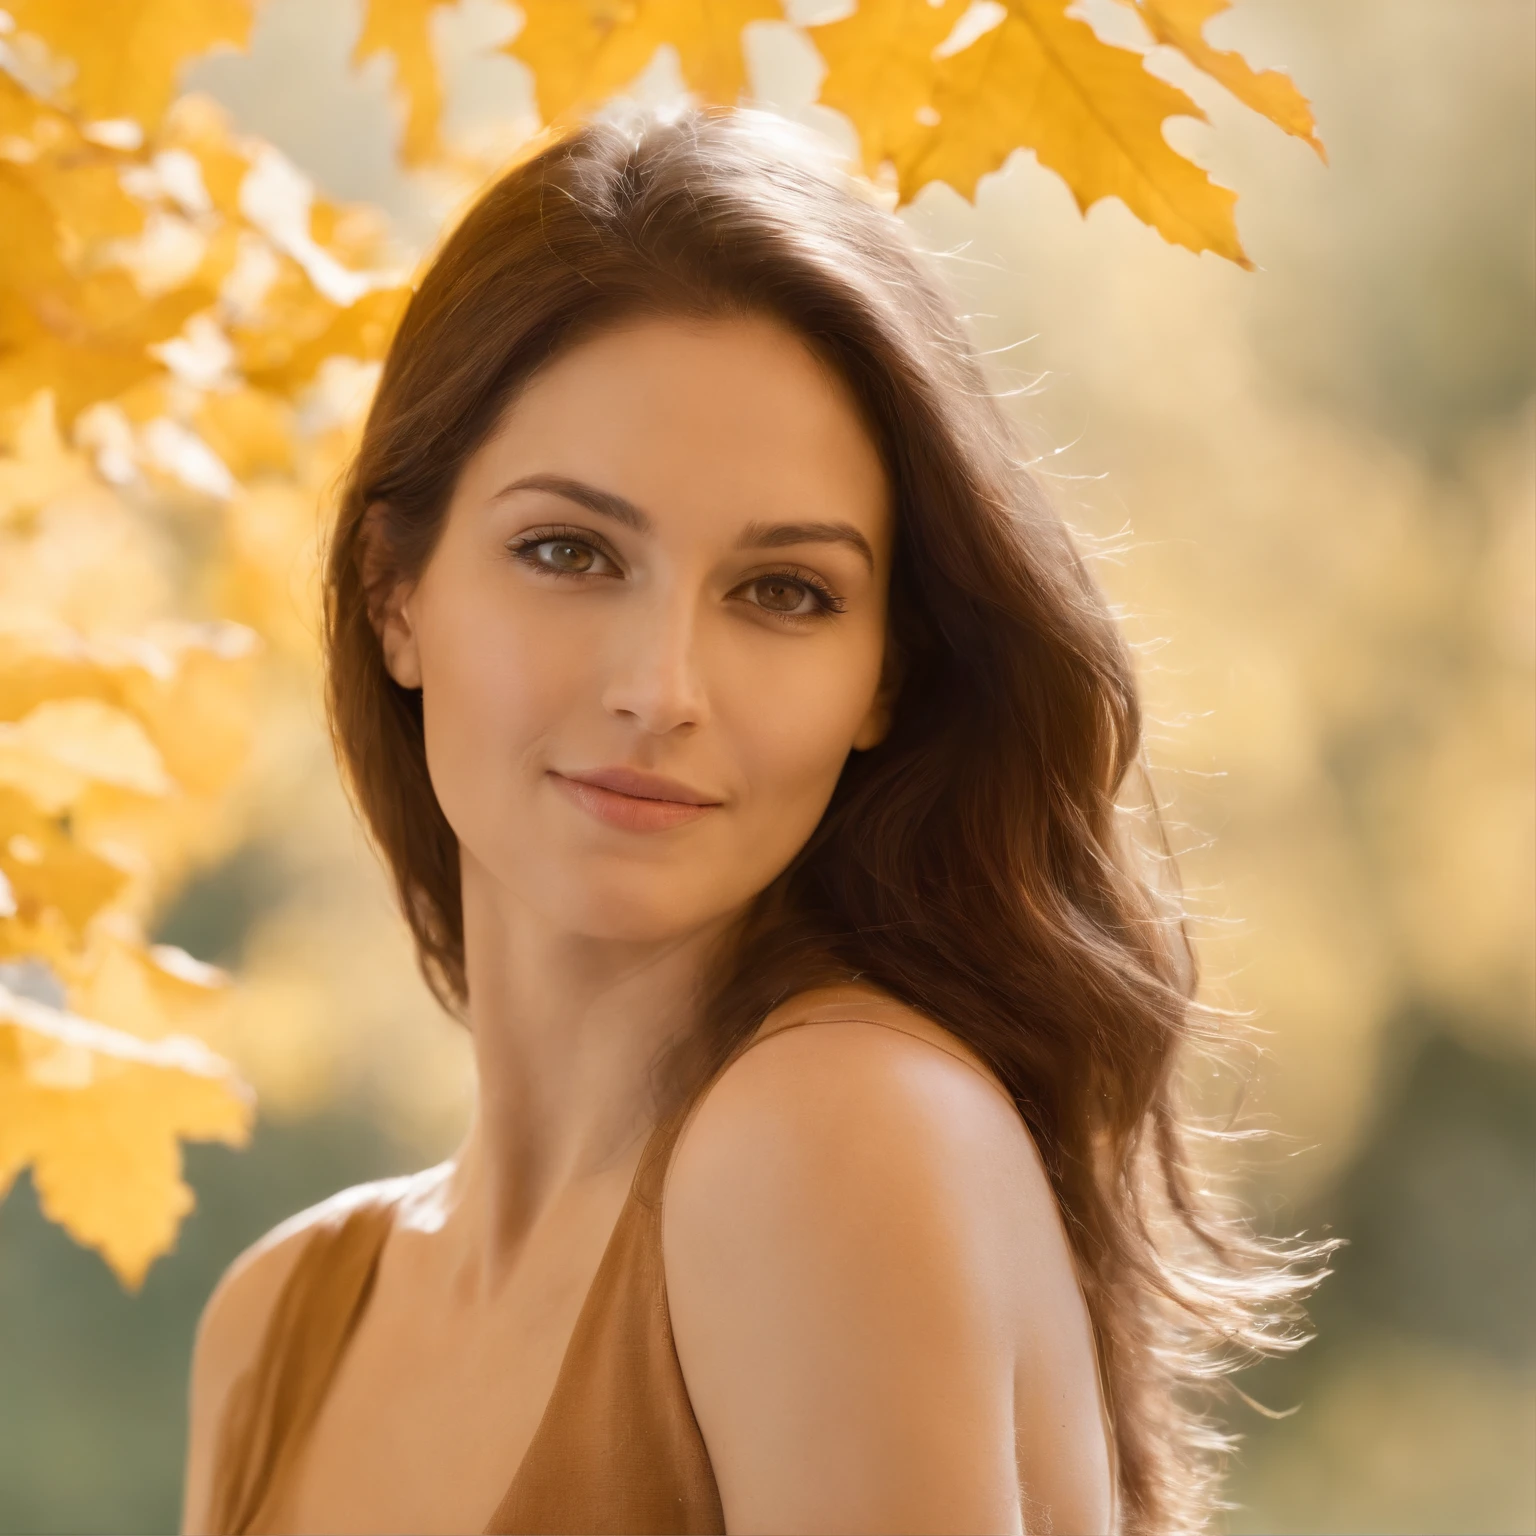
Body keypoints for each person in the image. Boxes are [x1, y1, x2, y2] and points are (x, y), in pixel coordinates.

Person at [178, 103, 1319, 1536]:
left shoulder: (833, 1138)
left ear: (885, 675)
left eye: (784, 591)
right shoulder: (279, 1326)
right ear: (393, 591)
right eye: (569, 552)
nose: (663, 690)